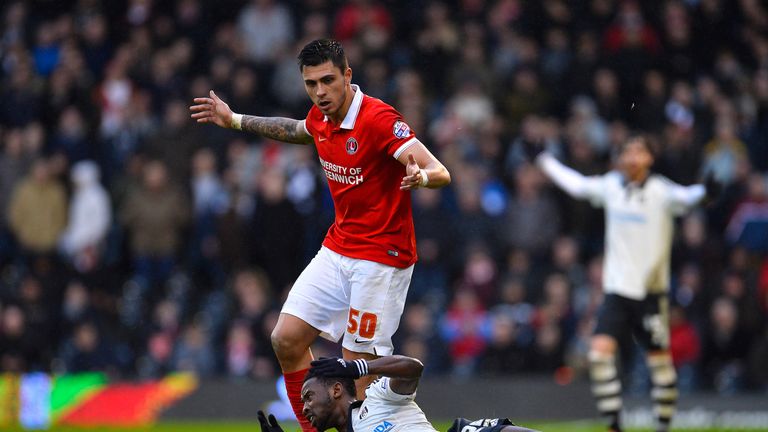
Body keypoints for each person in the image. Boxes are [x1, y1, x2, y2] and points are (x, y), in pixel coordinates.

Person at [190, 38, 451, 432]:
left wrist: (421, 176)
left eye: (328, 80)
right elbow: (298, 129)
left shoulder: (379, 119)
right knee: (286, 339)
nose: (320, 92)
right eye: (311, 84)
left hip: (381, 259)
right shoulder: (320, 117)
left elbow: (441, 171)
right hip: (339, 248)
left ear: (348, 75)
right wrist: (236, 120)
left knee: (356, 373)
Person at [531, 135, 717, 432]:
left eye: (637, 151)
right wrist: (545, 160)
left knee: (660, 367)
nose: (630, 157)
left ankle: (663, 426)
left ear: (649, 159)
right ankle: (614, 425)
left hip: (650, 293)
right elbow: (577, 185)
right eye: (626, 152)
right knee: (599, 356)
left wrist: (706, 192)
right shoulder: (611, 187)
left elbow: (688, 197)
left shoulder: (661, 191)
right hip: (617, 292)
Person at [256, 355, 538, 432]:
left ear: (336, 389)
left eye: (308, 396)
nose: (303, 408)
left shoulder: (379, 397)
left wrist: (358, 366)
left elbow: (412, 368)